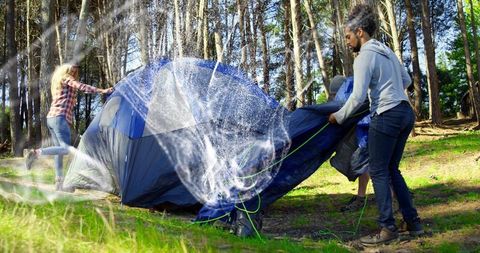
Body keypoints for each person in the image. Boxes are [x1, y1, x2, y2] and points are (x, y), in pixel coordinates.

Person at [328, 4, 423, 246]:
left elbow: (358, 96)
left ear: (360, 32)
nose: (347, 42)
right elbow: (406, 80)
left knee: (379, 170)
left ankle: (387, 228)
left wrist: (338, 116)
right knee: (392, 169)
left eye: (348, 37)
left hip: (387, 115)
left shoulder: (364, 57)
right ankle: (413, 223)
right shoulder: (386, 51)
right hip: (404, 113)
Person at [25, 64, 113, 191]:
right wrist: (102, 90)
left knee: (59, 153)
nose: (74, 73)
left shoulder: (59, 82)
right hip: (60, 118)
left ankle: (59, 183)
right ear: (65, 70)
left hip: (52, 119)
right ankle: (36, 153)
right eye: (72, 69)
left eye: (76, 71)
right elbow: (81, 86)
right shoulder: (66, 78)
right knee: (66, 149)